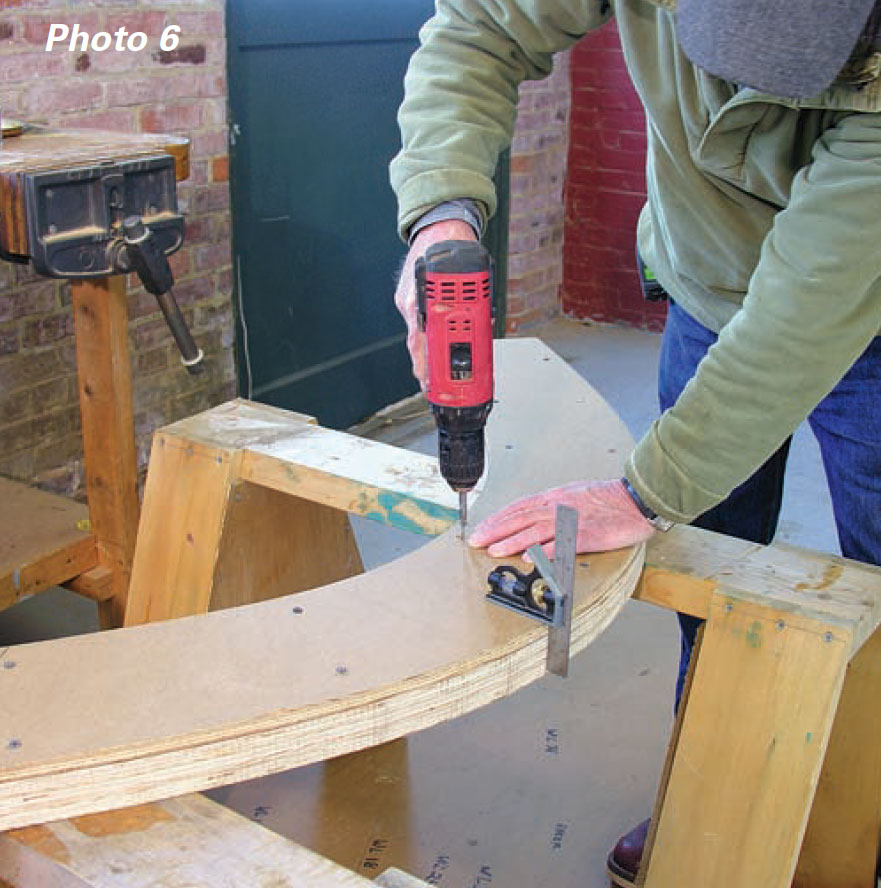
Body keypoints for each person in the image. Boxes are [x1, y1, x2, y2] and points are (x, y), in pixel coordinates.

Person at [390, 1, 881, 884]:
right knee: (707, 564)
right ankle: (711, 787)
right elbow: (478, 30)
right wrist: (441, 214)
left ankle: (869, 811)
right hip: (704, 276)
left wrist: (643, 491)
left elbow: (807, 309)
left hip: (865, 298)